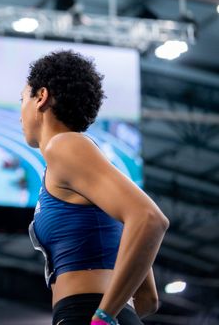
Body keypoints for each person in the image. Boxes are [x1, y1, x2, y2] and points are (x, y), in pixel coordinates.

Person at [21, 50, 169, 325]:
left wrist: (103, 316)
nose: (20, 114)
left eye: (22, 99)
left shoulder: (64, 146)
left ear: (41, 97)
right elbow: (147, 298)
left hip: (85, 313)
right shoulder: (92, 171)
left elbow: (150, 219)